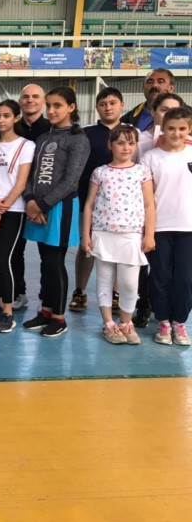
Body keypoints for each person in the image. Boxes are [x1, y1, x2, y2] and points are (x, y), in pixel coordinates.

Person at [22, 86, 90, 338]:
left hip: (60, 207)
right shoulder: (43, 138)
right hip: (38, 207)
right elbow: (32, 174)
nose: (51, 110)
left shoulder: (78, 139)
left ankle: (59, 318)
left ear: (71, 107)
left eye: (57, 105)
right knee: (45, 261)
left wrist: (42, 204)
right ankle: (46, 311)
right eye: (48, 105)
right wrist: (30, 199)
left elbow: (71, 181)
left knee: (55, 261)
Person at [82, 125, 154, 346]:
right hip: (103, 233)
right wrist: (86, 234)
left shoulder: (142, 171)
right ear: (110, 145)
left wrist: (149, 234)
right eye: (120, 143)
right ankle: (108, 323)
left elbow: (149, 204)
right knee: (104, 280)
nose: (126, 148)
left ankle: (126, 322)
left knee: (129, 283)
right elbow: (89, 205)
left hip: (132, 234)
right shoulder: (100, 172)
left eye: (131, 143)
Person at [69, 87, 125, 313]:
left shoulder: (131, 133)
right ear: (97, 108)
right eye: (103, 104)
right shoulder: (86, 134)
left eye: (112, 103)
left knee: (118, 250)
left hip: (123, 206)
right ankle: (80, 291)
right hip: (90, 202)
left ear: (121, 105)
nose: (108, 108)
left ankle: (115, 294)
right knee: (87, 247)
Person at [140, 106, 192, 345]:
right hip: (159, 227)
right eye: (171, 128)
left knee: (185, 279)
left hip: (188, 228)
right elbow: (146, 198)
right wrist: (148, 232)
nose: (176, 133)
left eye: (182, 128)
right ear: (164, 129)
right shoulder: (150, 158)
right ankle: (163, 321)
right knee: (160, 277)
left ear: (189, 129)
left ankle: (179, 322)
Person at [0, 100, 35, 333]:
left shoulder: (26, 146)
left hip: (12, 211)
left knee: (5, 260)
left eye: (6, 116)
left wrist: (0, 210)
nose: (1, 120)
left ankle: (9, 312)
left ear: (16, 118)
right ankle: (0, 305)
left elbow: (21, 183)